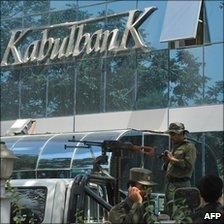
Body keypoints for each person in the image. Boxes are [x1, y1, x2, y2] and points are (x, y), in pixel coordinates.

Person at [162, 122, 197, 210]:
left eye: (173, 134)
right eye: (170, 134)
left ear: (181, 133)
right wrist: (167, 161)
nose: (171, 137)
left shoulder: (189, 147)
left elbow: (189, 166)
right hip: (170, 185)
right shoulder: (175, 147)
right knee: (169, 211)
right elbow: (167, 168)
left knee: (180, 212)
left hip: (181, 186)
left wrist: (172, 159)